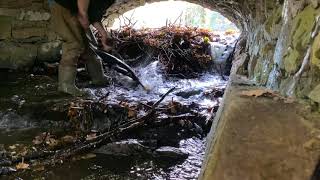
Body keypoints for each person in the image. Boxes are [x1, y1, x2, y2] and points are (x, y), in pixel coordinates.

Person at [50, 0, 115, 96]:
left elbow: (94, 15)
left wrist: (104, 34)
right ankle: (66, 86)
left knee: (89, 44)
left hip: (77, 7)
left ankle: (98, 78)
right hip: (64, 5)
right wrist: (83, 12)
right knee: (74, 44)